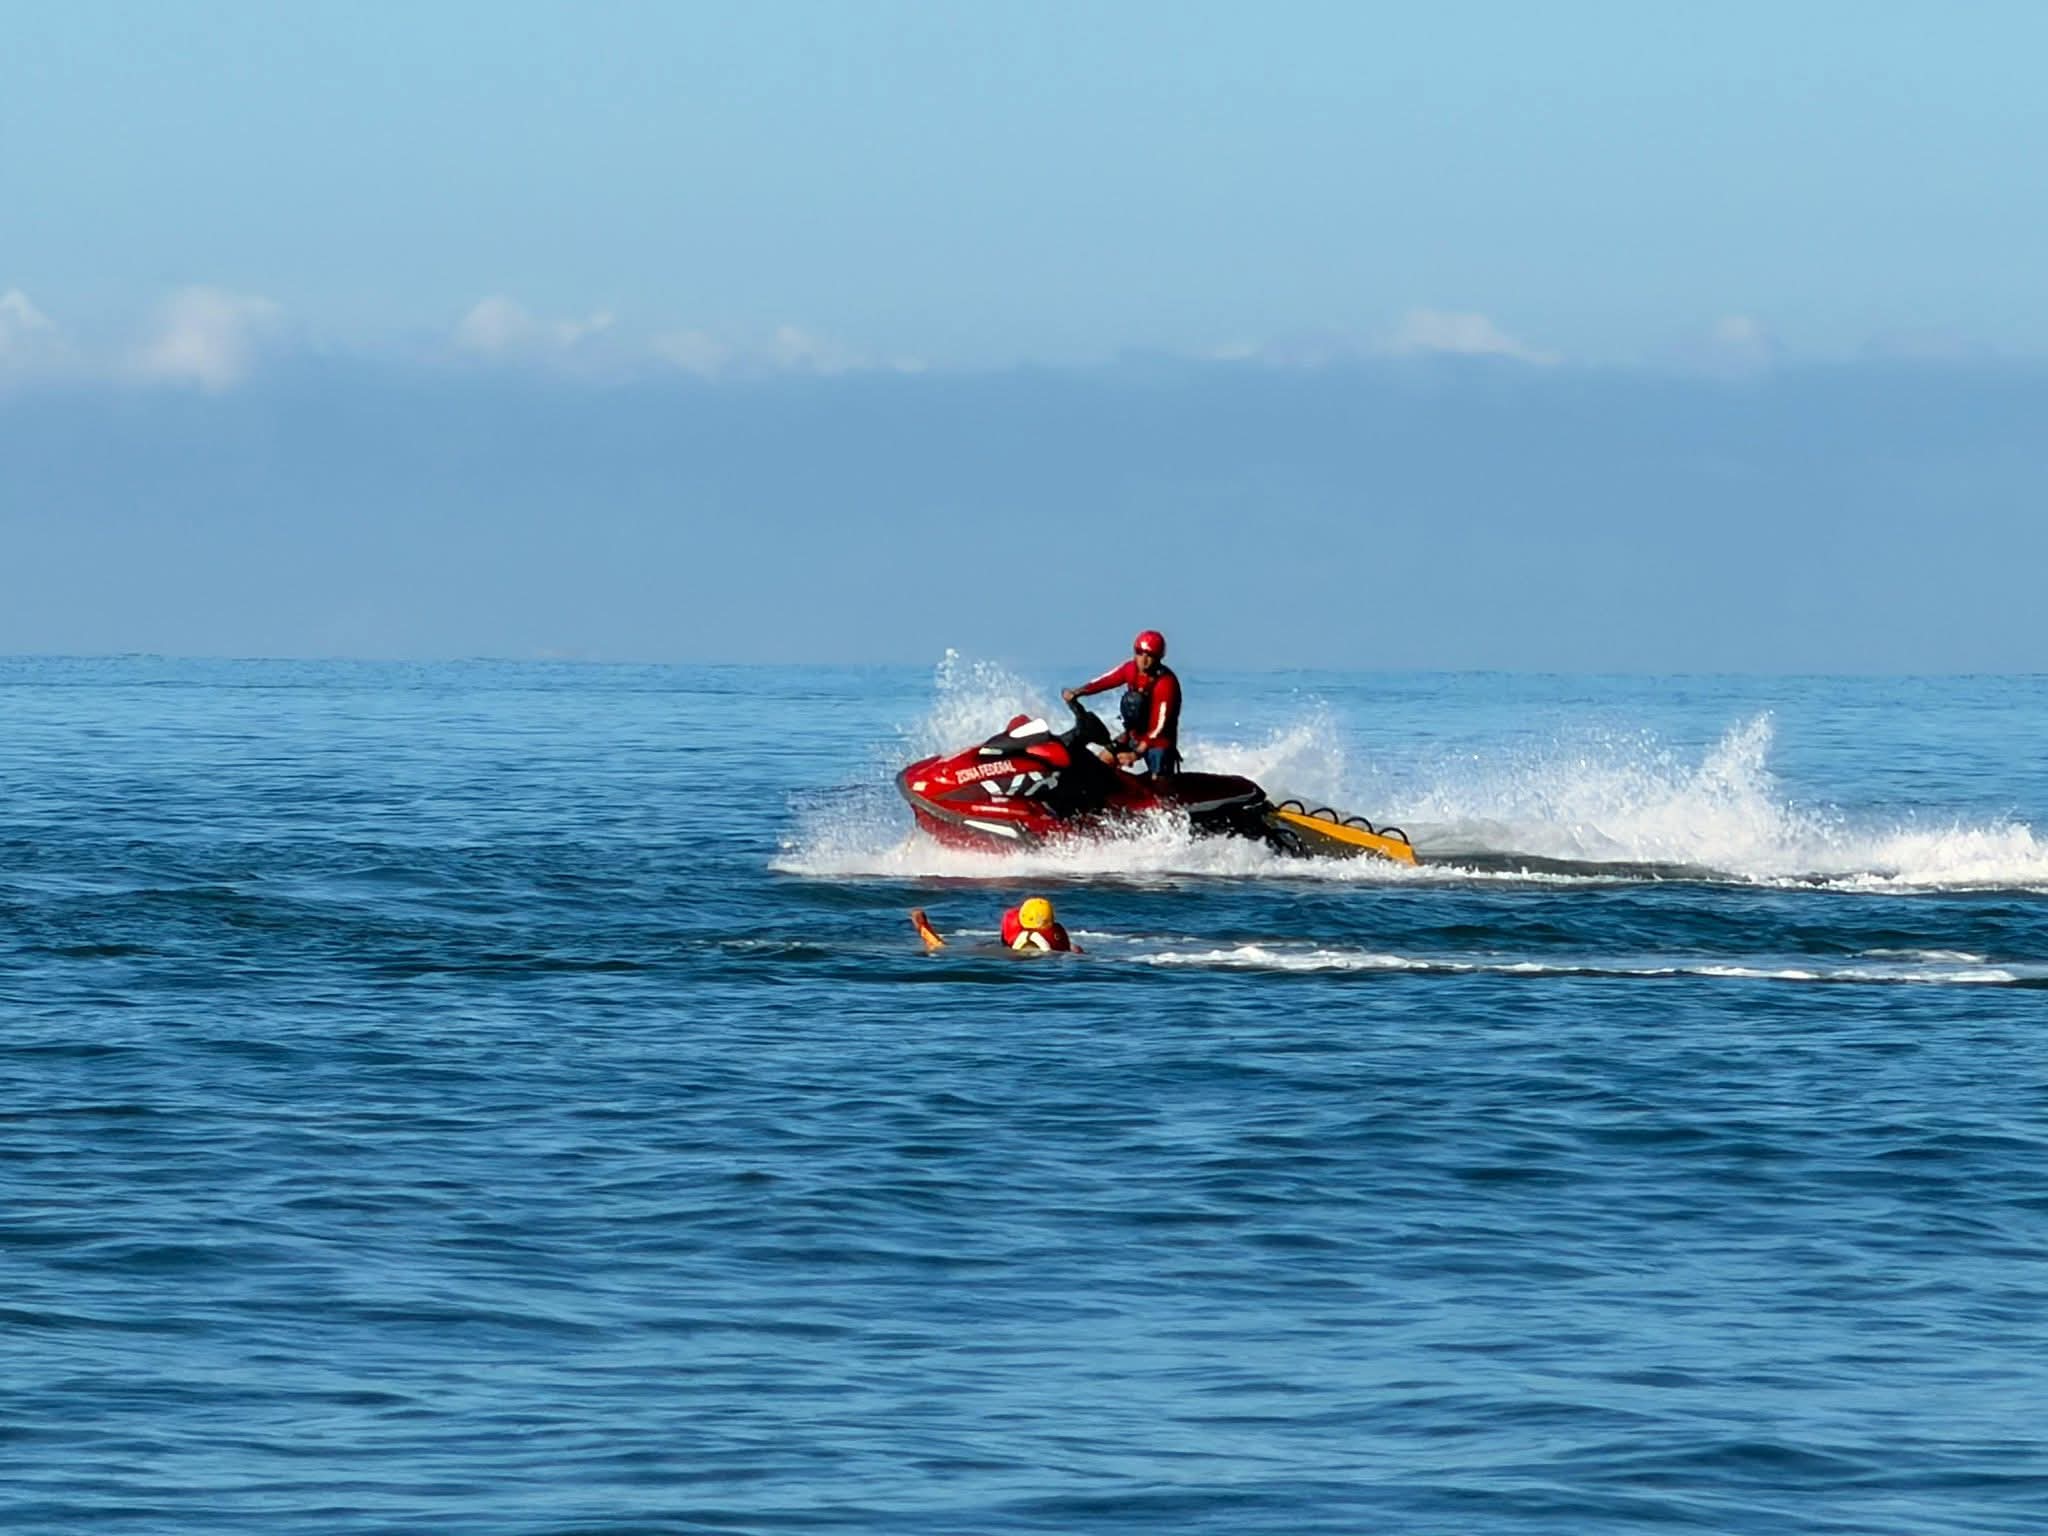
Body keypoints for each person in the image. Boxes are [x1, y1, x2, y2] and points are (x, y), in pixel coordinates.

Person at [1063, 629, 1182, 776]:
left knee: (1159, 782)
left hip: (1158, 741)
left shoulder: (1166, 683)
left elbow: (1159, 726)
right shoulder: (1130, 669)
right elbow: (1105, 680)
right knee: (1103, 761)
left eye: (1149, 656)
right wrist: (1078, 692)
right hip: (1134, 735)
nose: (1143, 660)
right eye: (1139, 653)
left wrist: (1135, 755)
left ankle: (1166, 792)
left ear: (1158, 657)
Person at [909, 899, 1080, 954]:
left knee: (945, 950)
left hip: (1009, 954)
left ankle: (927, 933)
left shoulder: (1025, 938)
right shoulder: (1061, 939)